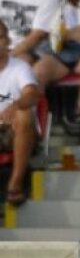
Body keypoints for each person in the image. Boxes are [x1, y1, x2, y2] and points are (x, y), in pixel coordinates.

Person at [0, 20, 38, 205]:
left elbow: (32, 94)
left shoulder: (19, 67)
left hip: (11, 130)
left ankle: (15, 183)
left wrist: (14, 106)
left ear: (7, 41)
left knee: (24, 114)